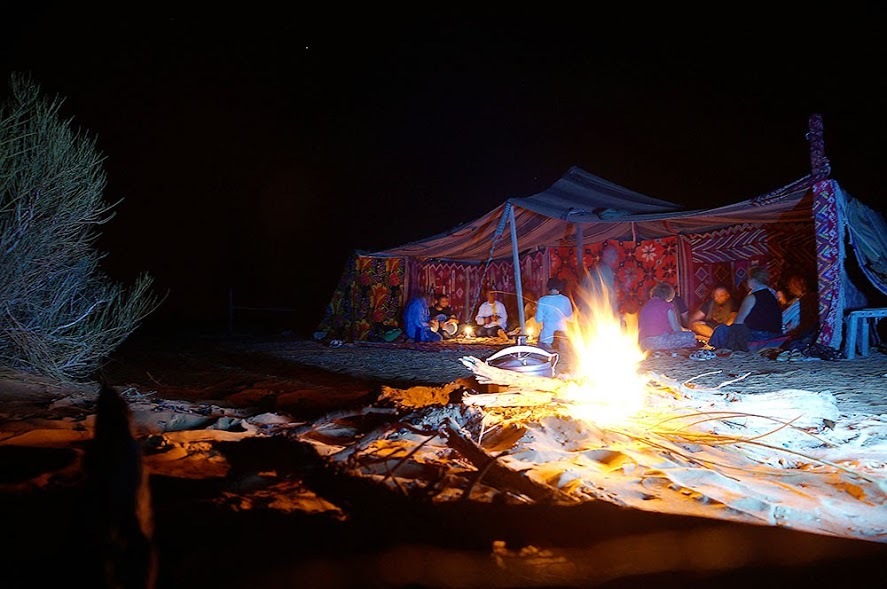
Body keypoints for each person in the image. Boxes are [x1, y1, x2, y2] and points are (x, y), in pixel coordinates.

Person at [708, 266, 783, 351]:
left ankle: (723, 352)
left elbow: (738, 323)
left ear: (752, 280)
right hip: (775, 335)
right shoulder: (773, 295)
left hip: (758, 337)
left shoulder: (753, 297)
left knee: (721, 329)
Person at [637, 282, 698, 352]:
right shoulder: (667, 305)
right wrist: (686, 331)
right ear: (670, 295)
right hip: (659, 342)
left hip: (644, 343)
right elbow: (676, 329)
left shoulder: (646, 306)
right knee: (691, 336)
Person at [580, 244, 620, 319]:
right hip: (596, 310)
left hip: (587, 310)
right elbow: (609, 293)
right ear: (607, 256)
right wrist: (615, 312)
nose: (615, 259)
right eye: (614, 255)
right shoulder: (605, 270)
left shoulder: (595, 269)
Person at [534, 277, 574, 352]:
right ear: (560, 287)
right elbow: (570, 319)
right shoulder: (565, 300)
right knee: (563, 360)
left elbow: (538, 319)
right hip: (562, 337)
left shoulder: (542, 300)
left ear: (548, 287)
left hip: (547, 338)